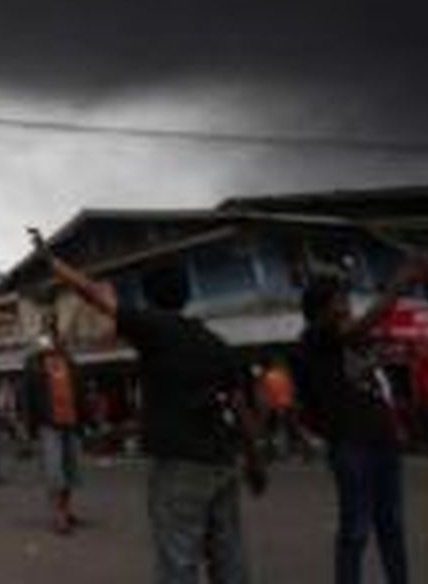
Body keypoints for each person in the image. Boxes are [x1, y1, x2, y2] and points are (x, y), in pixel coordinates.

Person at [30, 229, 266, 584]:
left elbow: (92, 293)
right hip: (222, 461)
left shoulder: (153, 327)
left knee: (178, 558)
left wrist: (51, 261)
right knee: (228, 556)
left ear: (148, 296)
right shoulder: (213, 341)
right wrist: (255, 460)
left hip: (179, 462)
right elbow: (239, 404)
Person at [298, 262, 427, 584]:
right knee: (355, 530)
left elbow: (373, 370)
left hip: (382, 440)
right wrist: (395, 288)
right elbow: (361, 327)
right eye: (339, 302)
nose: (346, 307)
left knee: (392, 527)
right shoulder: (315, 336)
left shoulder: (351, 339)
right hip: (351, 444)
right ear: (321, 309)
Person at [22, 318, 88, 534]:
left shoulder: (70, 362)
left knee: (70, 469)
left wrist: (86, 421)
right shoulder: (34, 364)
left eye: (58, 336)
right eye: (51, 336)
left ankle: (67, 510)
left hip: (71, 422)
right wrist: (29, 428)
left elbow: (80, 393)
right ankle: (58, 515)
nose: (56, 340)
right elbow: (28, 398)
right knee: (54, 471)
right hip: (48, 423)